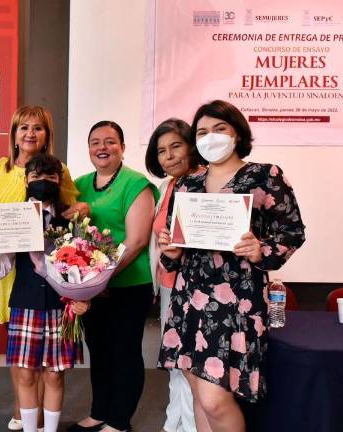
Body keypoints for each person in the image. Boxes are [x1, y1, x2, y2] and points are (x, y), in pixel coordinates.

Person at [157, 100, 306, 432]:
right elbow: (172, 250)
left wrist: (261, 250)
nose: (211, 137)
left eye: (219, 128)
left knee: (215, 399)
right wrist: (170, 251)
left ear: (237, 133)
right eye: (202, 132)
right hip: (189, 297)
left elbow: (293, 231)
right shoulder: (188, 184)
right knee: (198, 393)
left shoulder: (264, 175)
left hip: (236, 300)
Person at [0, 105, 88, 431]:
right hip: (17, 285)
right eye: (24, 127)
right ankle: (24, 417)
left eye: (38, 127)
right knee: (24, 366)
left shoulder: (65, 202)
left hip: (58, 298)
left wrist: (81, 212)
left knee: (53, 373)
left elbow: (81, 249)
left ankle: (44, 423)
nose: (30, 133)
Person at [70, 121, 157, 432]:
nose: (102, 147)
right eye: (95, 142)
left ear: (122, 147)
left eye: (109, 141)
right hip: (92, 288)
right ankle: (100, 411)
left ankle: (120, 420)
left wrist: (100, 278)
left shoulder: (136, 184)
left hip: (129, 284)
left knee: (124, 352)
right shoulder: (79, 184)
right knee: (99, 348)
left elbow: (137, 241)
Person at [145, 119, 205, 432]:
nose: (168, 156)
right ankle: (175, 424)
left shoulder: (206, 183)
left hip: (198, 290)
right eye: (161, 151)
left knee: (194, 364)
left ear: (191, 146)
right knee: (175, 363)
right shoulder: (165, 186)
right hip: (169, 284)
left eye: (176, 146)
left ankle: (192, 426)